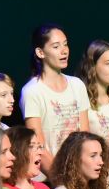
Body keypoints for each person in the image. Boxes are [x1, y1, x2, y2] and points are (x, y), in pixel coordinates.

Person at [21, 23, 89, 175]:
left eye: (65, 44)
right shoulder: (32, 91)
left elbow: (85, 135)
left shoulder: (77, 85)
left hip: (78, 173)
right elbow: (38, 145)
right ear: (40, 52)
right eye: (56, 46)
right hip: (50, 177)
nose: (64, 51)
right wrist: (60, 179)